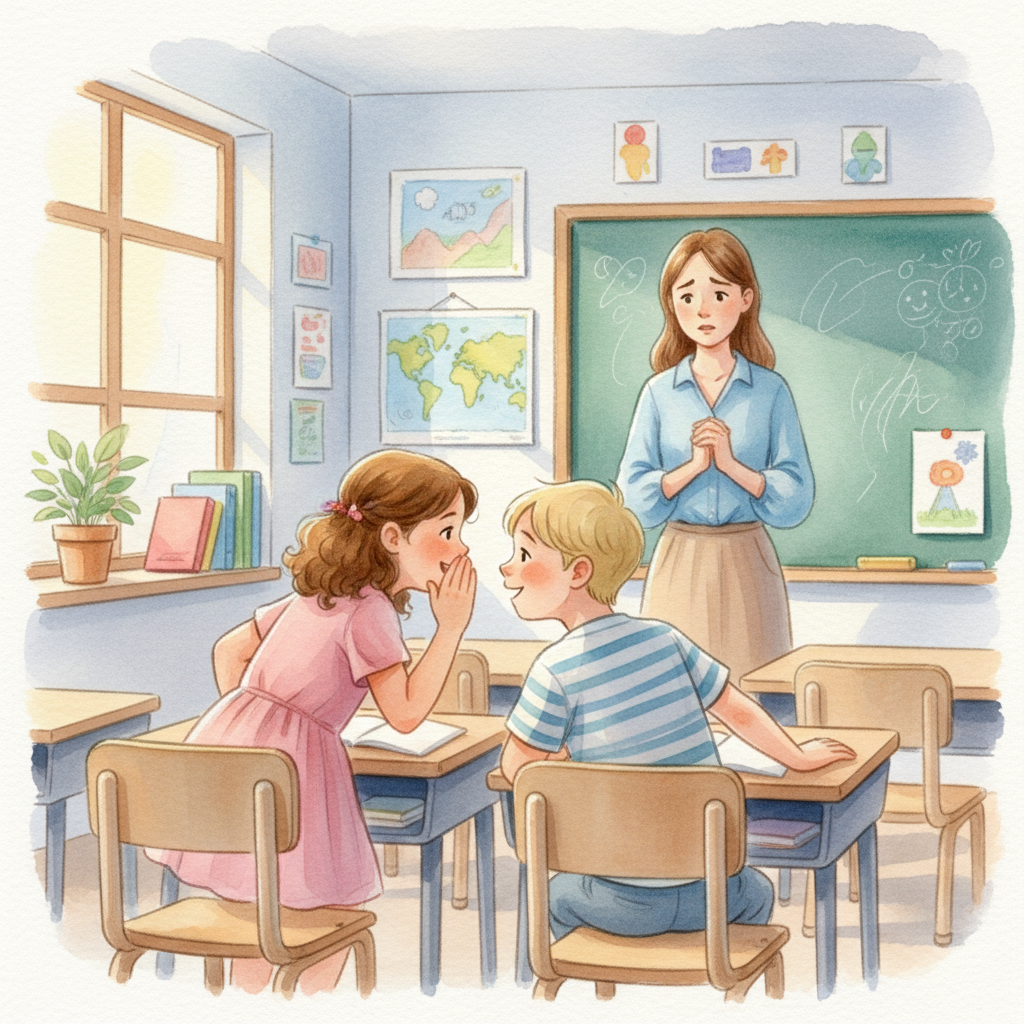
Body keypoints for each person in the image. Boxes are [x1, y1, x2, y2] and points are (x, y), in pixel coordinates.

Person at [147, 450, 478, 994]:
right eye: (446, 531)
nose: (460, 547)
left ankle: (254, 999)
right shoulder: (370, 609)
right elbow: (405, 714)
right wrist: (451, 628)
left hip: (234, 756)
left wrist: (253, 725)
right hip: (295, 770)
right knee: (331, 910)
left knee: (260, 906)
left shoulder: (321, 594)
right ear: (392, 537)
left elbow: (230, 650)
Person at [499, 480, 852, 941]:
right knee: (759, 891)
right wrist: (798, 758)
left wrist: (568, 758)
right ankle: (719, 969)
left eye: (524, 554)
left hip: (615, 903)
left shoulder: (553, 669)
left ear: (579, 571)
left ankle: (573, 975)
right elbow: (738, 711)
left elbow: (517, 768)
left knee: (552, 895)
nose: (507, 567)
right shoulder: (665, 639)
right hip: (717, 895)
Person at [616, 227, 813, 686]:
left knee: (751, 690)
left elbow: (796, 497)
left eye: (718, 294)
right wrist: (690, 468)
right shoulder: (658, 392)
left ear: (745, 299)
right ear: (671, 304)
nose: (702, 310)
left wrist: (731, 466)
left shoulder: (771, 390)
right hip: (679, 559)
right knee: (672, 692)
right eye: (686, 296)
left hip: (749, 560)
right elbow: (632, 500)